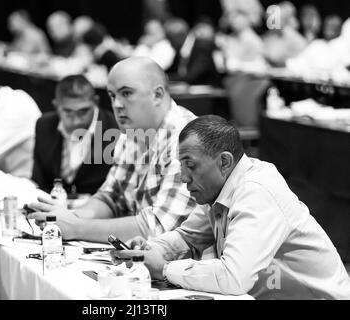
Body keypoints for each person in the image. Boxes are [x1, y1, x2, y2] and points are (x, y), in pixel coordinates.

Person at [113, 115, 350, 300]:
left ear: (224, 162)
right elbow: (187, 237)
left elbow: (234, 277)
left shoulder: (256, 191)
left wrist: (164, 269)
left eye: (191, 166)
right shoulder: (220, 188)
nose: (183, 177)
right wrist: (149, 250)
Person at [28, 57, 202, 243]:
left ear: (157, 95)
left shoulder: (185, 139)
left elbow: (158, 227)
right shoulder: (132, 133)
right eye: (112, 96)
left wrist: (77, 227)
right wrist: (70, 216)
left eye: (126, 93)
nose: (117, 104)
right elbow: (111, 197)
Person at [32, 75, 118, 195]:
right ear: (56, 106)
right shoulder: (44, 125)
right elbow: (39, 180)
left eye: (83, 111)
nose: (76, 121)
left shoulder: (115, 129)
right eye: (68, 112)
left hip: (99, 208)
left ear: (96, 102)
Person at [165, 18, 220, 86]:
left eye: (170, 39)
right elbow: (172, 70)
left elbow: (192, 76)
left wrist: (165, 78)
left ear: (179, 36)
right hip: (188, 90)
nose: (170, 44)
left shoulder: (201, 48)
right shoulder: (182, 50)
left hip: (207, 91)